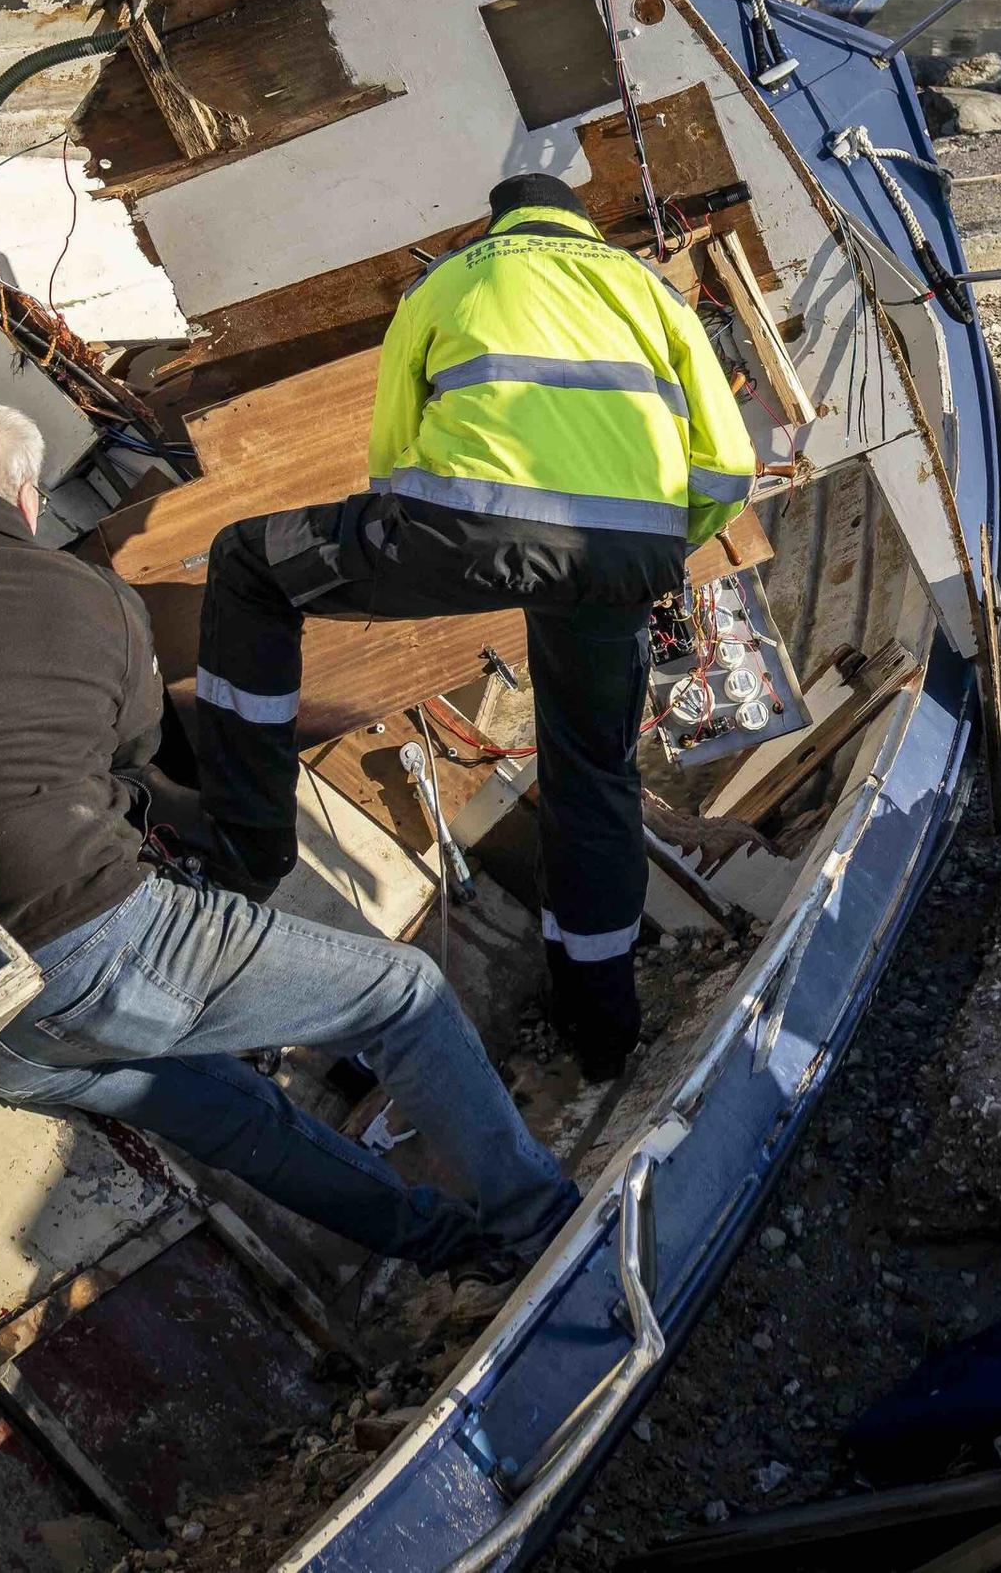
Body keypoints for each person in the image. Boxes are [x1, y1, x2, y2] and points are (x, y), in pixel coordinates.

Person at [0, 397, 570, 1275]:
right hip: (79, 939)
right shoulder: (94, 597)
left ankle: (461, 1256)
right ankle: (548, 1229)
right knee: (402, 995)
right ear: (28, 500)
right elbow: (135, 760)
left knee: (239, 1116)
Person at [190, 173, 758, 1081]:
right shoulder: (651, 289)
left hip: (466, 536)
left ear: (497, 223)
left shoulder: (446, 283)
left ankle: (249, 851)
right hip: (625, 559)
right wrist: (649, 549)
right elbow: (729, 467)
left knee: (248, 566)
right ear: (581, 222)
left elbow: (391, 456)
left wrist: (418, 553)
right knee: (593, 776)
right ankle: (601, 1031)